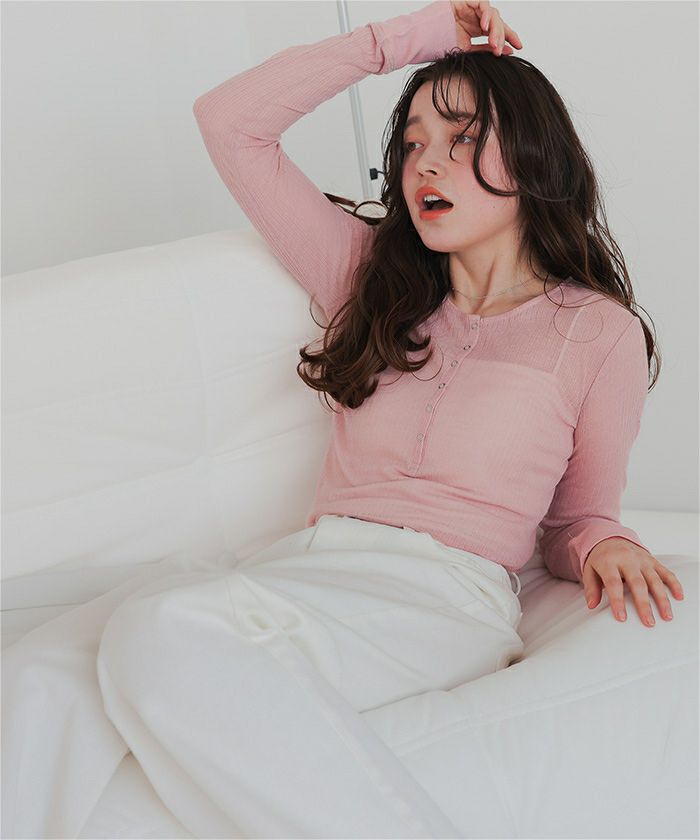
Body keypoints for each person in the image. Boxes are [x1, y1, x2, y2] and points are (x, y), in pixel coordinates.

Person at [3, 2, 684, 838]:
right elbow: (230, 124)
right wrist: (408, 40)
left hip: (440, 599)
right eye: (412, 144)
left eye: (462, 138)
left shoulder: (596, 331)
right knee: (42, 673)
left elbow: (578, 518)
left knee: (161, 627)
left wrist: (602, 544)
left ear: (535, 154)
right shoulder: (371, 280)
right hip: (307, 568)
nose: (426, 164)